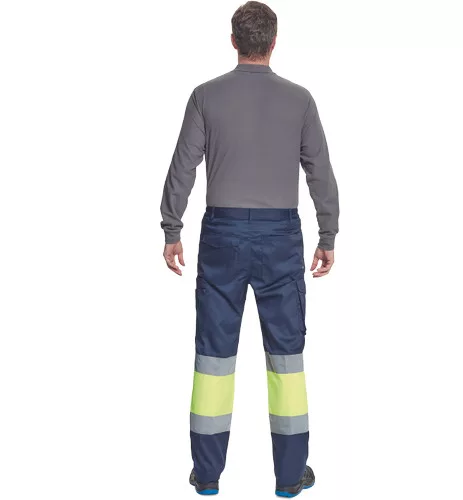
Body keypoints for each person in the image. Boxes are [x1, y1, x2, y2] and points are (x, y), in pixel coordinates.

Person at [160, 1, 339, 496]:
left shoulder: (205, 96)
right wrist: (327, 234)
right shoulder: (300, 100)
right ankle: (289, 477)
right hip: (281, 237)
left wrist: (172, 228)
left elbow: (183, 166)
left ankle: (207, 476)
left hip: (221, 234)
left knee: (214, 356)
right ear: (274, 42)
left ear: (234, 41)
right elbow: (320, 172)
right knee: (286, 355)